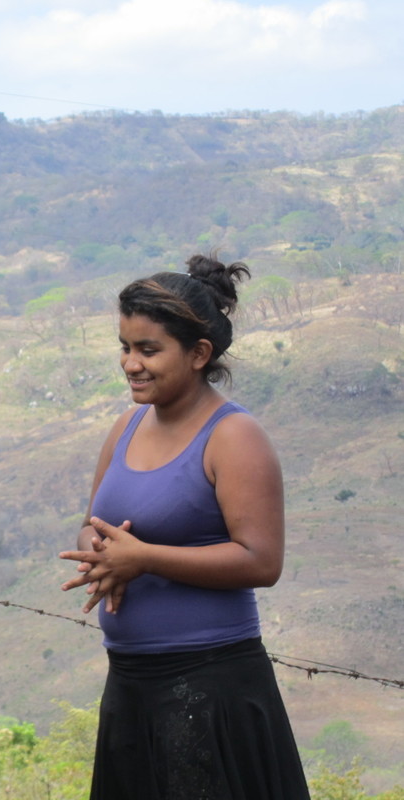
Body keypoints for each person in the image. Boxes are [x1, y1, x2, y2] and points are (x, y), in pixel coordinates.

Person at [59, 254, 309, 799]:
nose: (131, 364)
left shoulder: (233, 436)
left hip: (210, 686)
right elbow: (92, 524)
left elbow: (261, 561)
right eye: (125, 347)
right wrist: (99, 553)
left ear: (199, 354)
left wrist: (144, 559)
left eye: (149, 350)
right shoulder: (127, 425)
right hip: (129, 684)